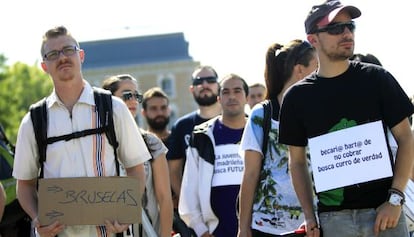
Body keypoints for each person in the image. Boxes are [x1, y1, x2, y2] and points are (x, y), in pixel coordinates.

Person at [278, 1, 414, 237]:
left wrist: (395, 199)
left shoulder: (377, 79)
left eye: (350, 26)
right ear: (313, 39)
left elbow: (406, 138)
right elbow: (297, 161)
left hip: (385, 216)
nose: (347, 33)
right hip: (333, 221)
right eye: (335, 29)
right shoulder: (297, 97)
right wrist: (310, 216)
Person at [12, 26, 151, 237]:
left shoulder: (113, 108)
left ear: (81, 55)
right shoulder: (33, 120)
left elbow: (136, 168)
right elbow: (25, 185)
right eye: (52, 54)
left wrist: (126, 210)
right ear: (44, 66)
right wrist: (37, 217)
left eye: (69, 50)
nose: (62, 58)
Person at [237, 40, 317, 237]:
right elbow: (250, 173)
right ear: (300, 70)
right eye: (317, 65)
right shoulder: (261, 114)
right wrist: (243, 227)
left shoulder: (318, 112)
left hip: (311, 224)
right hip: (266, 226)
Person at [102, 75, 173, 237]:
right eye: (127, 95)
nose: (133, 100)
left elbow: (164, 198)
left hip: (146, 232)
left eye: (137, 96)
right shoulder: (95, 144)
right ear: (109, 99)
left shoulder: (150, 142)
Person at [179, 73, 248, 237]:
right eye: (225, 92)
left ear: (247, 97)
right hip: (216, 232)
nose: (231, 96)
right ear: (218, 98)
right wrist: (201, 230)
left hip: (258, 229)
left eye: (237, 91)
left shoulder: (260, 131)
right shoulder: (202, 135)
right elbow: (189, 188)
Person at [167, 65, 221, 236]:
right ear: (192, 89)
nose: (205, 84)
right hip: (196, 216)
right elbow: (173, 170)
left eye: (210, 80)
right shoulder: (182, 126)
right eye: (199, 81)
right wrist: (188, 203)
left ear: (218, 86)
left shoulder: (237, 121)